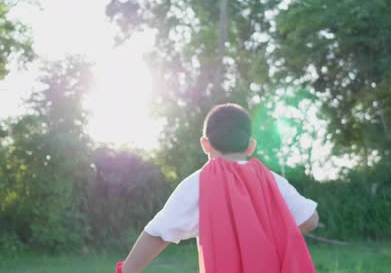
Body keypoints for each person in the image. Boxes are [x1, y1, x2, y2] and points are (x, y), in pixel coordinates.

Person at [115, 103, 318, 273]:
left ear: (205, 144)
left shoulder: (198, 184)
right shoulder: (272, 180)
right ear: (250, 146)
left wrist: (126, 271)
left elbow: (158, 233)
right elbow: (310, 219)